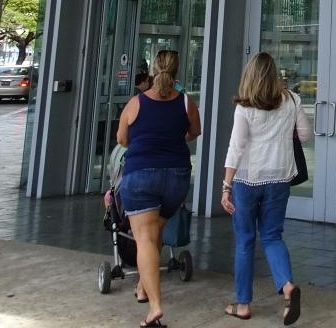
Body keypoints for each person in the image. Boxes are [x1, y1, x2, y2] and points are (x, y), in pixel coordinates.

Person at [222, 52, 311, 325]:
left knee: (245, 240)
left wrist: (226, 186)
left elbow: (236, 147)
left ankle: (243, 305)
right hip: (280, 178)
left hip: (247, 180)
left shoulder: (244, 106)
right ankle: (287, 287)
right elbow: (305, 135)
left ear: (249, 76)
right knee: (272, 236)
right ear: (274, 75)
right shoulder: (292, 100)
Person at [116, 49, 201, 328]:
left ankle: (155, 307)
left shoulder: (136, 102)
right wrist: (174, 138)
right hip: (177, 178)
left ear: (153, 69)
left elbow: (122, 139)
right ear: (177, 71)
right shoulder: (186, 102)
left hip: (141, 176)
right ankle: (142, 287)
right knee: (156, 233)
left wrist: (145, 143)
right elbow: (195, 132)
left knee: (145, 239)